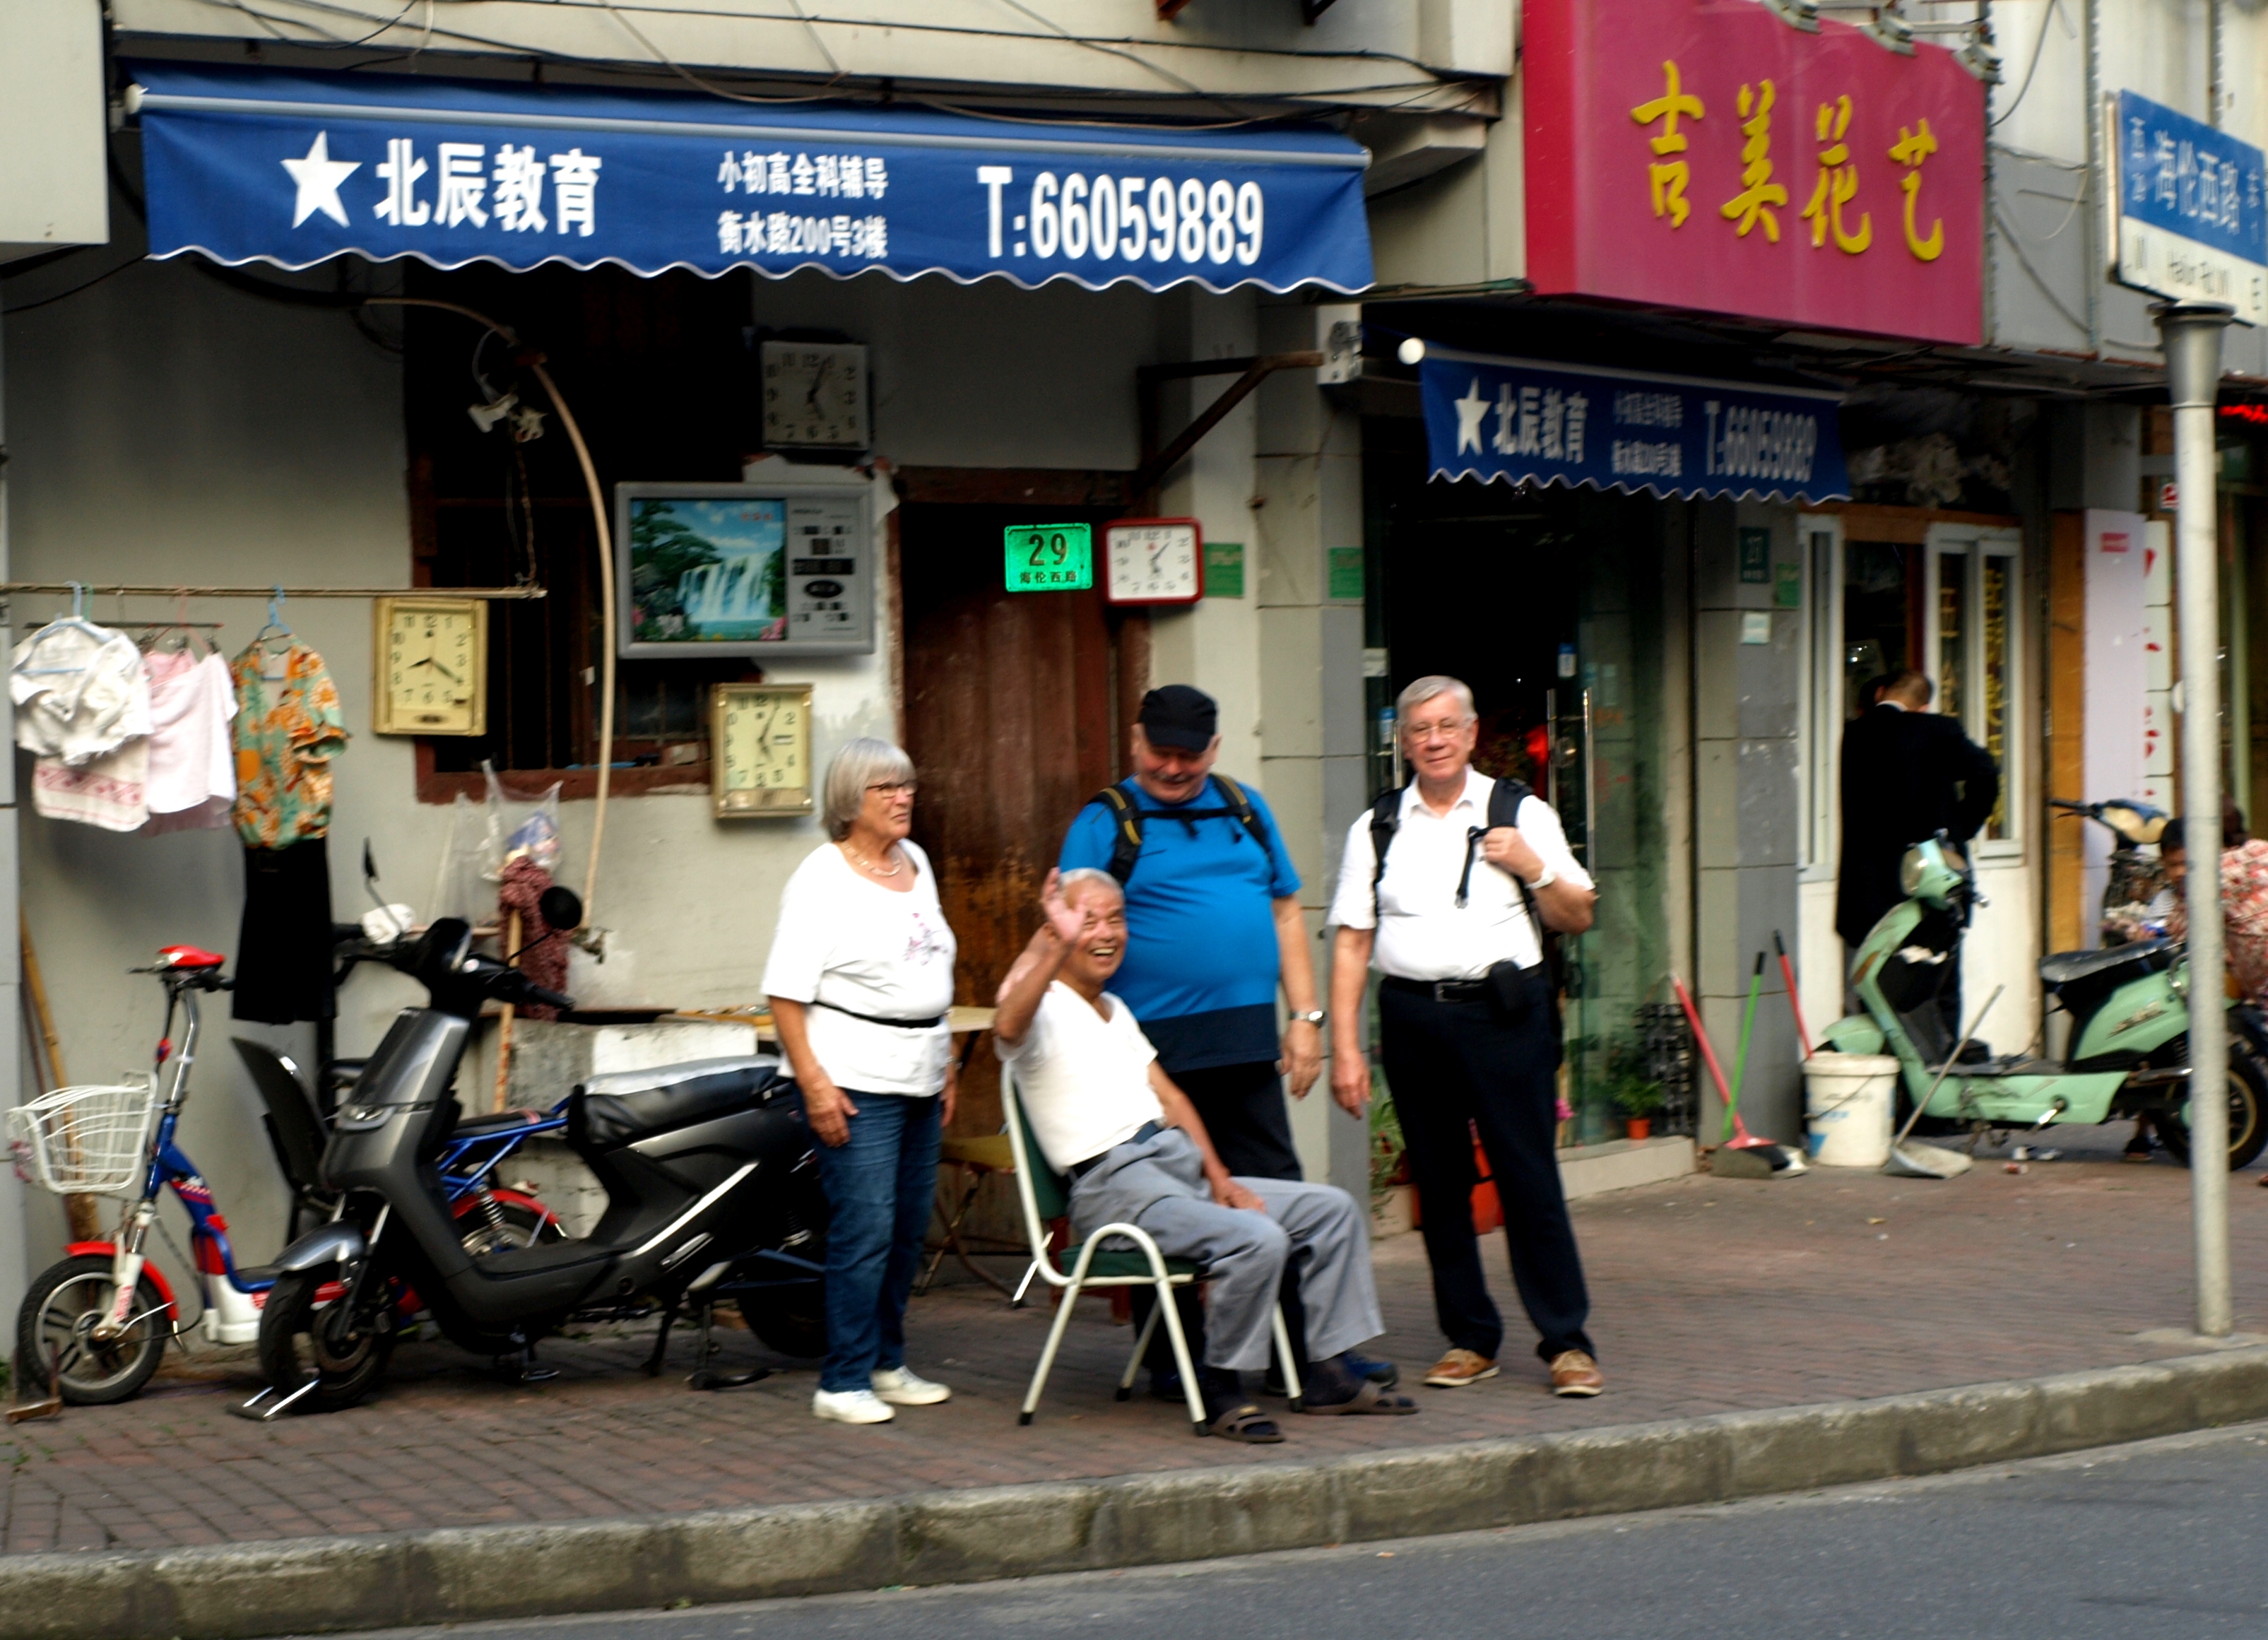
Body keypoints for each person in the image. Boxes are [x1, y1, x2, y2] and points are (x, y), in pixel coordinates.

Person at [994, 866, 1413, 1442]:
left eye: (1115, 918)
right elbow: (1007, 1023)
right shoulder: (1041, 1007)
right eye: (1088, 920)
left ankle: (1325, 1371)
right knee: (1256, 1238)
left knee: (1332, 1209)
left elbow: (1172, 1098)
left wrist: (1221, 1179)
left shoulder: (1115, 1008)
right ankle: (1219, 1385)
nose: (1105, 932)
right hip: (1113, 1188)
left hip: (1175, 1171)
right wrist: (1051, 945)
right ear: (1058, 928)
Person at [1058, 684, 1384, 1396]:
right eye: (1160, 753)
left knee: (1275, 1193)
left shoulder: (1244, 806)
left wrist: (1305, 1018)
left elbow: (1286, 910)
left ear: (1215, 749)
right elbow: (1070, 922)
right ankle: (1175, 1357)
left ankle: (1302, 1355)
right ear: (1136, 741)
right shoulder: (1103, 819)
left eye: (1189, 757)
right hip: (1149, 1049)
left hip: (1243, 1041)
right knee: (1172, 1196)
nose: (1173, 769)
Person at [1326, 676, 1604, 1398]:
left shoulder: (1521, 810)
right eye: (1421, 728)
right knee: (1442, 1185)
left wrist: (1532, 865)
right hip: (1415, 1019)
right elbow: (1353, 940)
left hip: (1504, 1018)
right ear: (1403, 741)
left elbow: (1577, 914)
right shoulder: (1378, 825)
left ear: (1472, 733)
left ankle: (1566, 1341)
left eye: (1448, 725)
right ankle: (1470, 1337)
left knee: (1528, 1177)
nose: (1435, 739)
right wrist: (1347, 1046)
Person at [764, 738, 959, 1427]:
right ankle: (842, 1378)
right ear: (851, 800)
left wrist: (948, 1063)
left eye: (907, 785)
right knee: (865, 1226)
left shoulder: (918, 864)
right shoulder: (822, 876)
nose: (904, 797)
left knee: (907, 1229)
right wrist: (813, 1083)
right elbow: (785, 993)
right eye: (886, 788)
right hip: (854, 1078)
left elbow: (933, 970)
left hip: (921, 1071)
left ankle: (886, 1359)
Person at [1836, 668, 2000, 1034]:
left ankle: (1878, 1080)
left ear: (1880, 694)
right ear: (1923, 706)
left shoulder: (1852, 734)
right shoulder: (1938, 731)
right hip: (1928, 886)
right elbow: (1986, 773)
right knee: (1937, 990)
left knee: (1871, 990)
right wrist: (1960, 829)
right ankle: (1935, 1074)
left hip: (1866, 891)